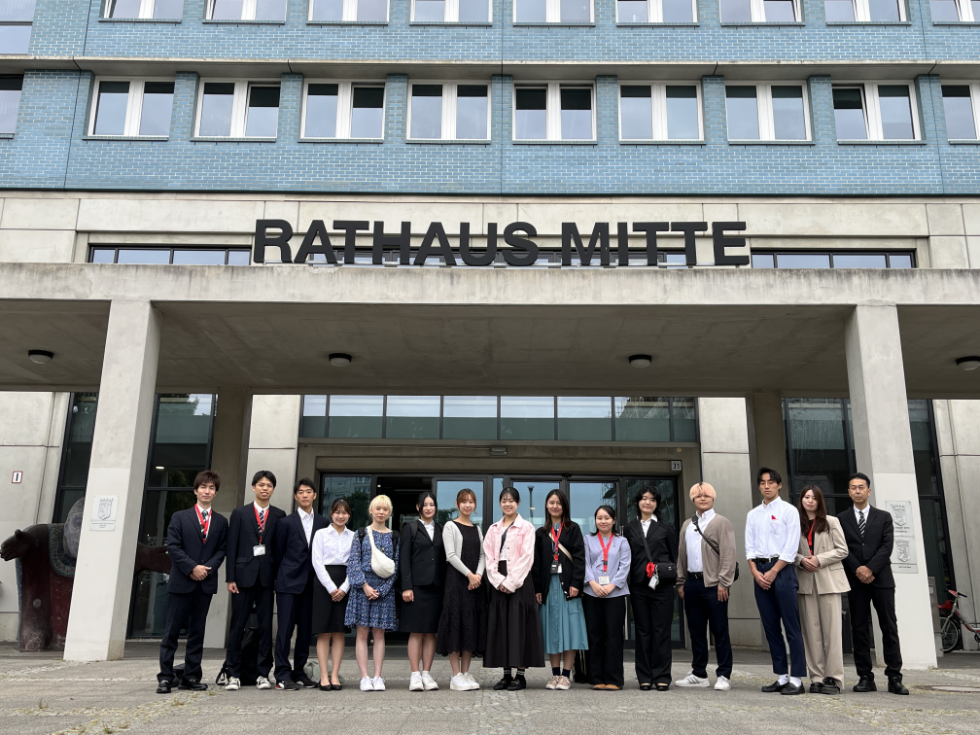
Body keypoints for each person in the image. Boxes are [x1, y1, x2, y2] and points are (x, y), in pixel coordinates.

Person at [157, 471, 228, 694]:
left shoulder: (221, 521)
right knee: (172, 632)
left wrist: (206, 569)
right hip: (182, 582)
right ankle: (166, 677)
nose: (207, 491)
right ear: (195, 490)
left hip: (204, 583)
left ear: (215, 492)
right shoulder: (179, 517)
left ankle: (191, 675)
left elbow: (222, 550)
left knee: (198, 632)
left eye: (211, 488)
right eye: (203, 487)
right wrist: (192, 568)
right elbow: (173, 547)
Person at [838, 472, 908, 695]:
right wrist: (858, 568)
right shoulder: (841, 519)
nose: (857, 491)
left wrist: (870, 568)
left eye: (861, 487)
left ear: (868, 491)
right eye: (853, 487)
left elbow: (886, 547)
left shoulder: (884, 517)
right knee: (859, 628)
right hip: (855, 580)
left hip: (882, 579)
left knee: (889, 626)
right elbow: (842, 548)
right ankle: (865, 677)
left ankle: (894, 676)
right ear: (848, 492)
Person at [746, 467, 806, 695]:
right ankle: (781, 676)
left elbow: (791, 547)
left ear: (779, 485)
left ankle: (797, 679)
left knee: (792, 626)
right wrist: (755, 572)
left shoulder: (789, 511)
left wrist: (773, 572)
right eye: (762, 483)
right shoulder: (753, 515)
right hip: (759, 571)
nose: (766, 486)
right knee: (771, 628)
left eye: (771, 482)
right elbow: (749, 547)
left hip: (782, 570)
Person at [224, 470, 286, 691]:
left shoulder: (279, 515)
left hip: (267, 578)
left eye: (269, 485)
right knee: (237, 625)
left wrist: (279, 579)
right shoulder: (240, 513)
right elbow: (231, 547)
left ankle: (262, 673)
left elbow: (280, 550)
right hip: (242, 578)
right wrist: (230, 577)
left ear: (273, 489)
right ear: (253, 487)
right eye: (260, 484)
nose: (264, 488)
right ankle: (233, 673)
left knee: (265, 626)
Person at [675, 482, 737, 692]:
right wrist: (681, 581)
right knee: (696, 630)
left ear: (713, 498)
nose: (703, 499)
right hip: (691, 583)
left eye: (707, 496)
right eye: (698, 496)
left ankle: (724, 674)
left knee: (719, 630)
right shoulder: (687, 525)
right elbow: (681, 555)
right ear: (693, 499)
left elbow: (729, 555)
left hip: (714, 584)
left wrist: (724, 582)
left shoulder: (721, 522)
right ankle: (699, 673)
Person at [484, 486, 544, 691]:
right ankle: (505, 674)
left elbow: (527, 558)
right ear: (500, 504)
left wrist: (510, 582)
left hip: (520, 581)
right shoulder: (493, 528)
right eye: (504, 500)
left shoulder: (527, 527)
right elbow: (488, 557)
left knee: (519, 626)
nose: (507, 503)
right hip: (497, 581)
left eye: (511, 500)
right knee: (502, 626)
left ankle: (520, 675)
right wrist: (497, 580)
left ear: (518, 503)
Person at [273, 478, 329, 690]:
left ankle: (299, 672)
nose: (305, 495)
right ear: (296, 496)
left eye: (309, 491)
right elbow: (279, 554)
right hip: (288, 584)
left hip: (312, 585)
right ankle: (281, 673)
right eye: (301, 492)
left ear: (314, 495)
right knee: (285, 630)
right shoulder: (285, 523)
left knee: (305, 631)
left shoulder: (324, 523)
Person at [796, 485, 849, 695]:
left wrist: (819, 559)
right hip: (806, 583)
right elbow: (788, 551)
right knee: (811, 634)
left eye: (813, 498)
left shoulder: (831, 522)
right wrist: (801, 560)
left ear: (819, 501)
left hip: (828, 581)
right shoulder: (796, 524)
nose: (809, 501)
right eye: (806, 497)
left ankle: (834, 678)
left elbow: (842, 550)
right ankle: (816, 678)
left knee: (832, 633)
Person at [624, 486, 677, 691]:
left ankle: (662, 675)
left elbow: (674, 556)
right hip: (639, 586)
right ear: (637, 502)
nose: (648, 502)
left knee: (661, 631)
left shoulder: (665, 527)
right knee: (643, 631)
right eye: (644, 499)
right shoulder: (630, 528)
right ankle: (644, 676)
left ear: (657, 503)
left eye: (652, 499)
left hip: (662, 586)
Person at [533, 489, 587, 691]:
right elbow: (536, 564)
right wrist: (538, 588)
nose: (555, 506)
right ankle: (554, 675)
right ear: (546, 506)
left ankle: (566, 675)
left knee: (570, 631)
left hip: (568, 587)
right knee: (552, 632)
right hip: (549, 588)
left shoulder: (573, 529)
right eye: (551, 502)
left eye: (559, 503)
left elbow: (580, 559)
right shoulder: (540, 532)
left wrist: (576, 583)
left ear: (564, 506)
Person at [346, 494, 400, 692]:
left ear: (389, 512)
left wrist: (383, 590)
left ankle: (378, 676)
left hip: (383, 591)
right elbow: (353, 562)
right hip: (363, 589)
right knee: (361, 633)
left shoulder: (394, 536)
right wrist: (365, 586)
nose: (381, 512)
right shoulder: (360, 533)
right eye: (378, 508)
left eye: (385, 509)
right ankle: (364, 677)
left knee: (379, 634)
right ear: (371, 510)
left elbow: (396, 566)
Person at [437, 488, 487, 691]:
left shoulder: (476, 528)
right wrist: (470, 575)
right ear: (458, 504)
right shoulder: (450, 526)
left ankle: (466, 673)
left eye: (471, 502)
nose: (468, 505)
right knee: (455, 624)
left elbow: (483, 555)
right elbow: (450, 555)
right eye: (464, 501)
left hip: (474, 585)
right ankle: (455, 675)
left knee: (470, 625)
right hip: (457, 583)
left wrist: (479, 576)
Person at [400, 491, 446, 692]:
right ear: (418, 507)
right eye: (425, 505)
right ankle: (414, 674)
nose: (428, 508)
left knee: (430, 632)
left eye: (432, 505)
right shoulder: (410, 529)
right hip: (416, 587)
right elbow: (404, 560)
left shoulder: (441, 529)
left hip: (436, 586)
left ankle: (427, 673)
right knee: (416, 631)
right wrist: (406, 586)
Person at [582, 505, 631, 690]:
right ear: (595, 520)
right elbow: (584, 562)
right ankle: (596, 678)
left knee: (613, 635)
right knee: (595, 636)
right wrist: (593, 583)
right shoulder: (588, 539)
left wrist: (611, 586)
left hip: (615, 593)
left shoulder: (622, 542)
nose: (603, 521)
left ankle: (614, 678)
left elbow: (625, 565)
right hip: (591, 592)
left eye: (607, 518)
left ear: (614, 520)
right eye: (599, 518)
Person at [311, 498, 355, 691]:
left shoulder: (353, 536)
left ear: (349, 515)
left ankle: (335, 675)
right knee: (324, 631)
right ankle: (323, 676)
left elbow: (355, 564)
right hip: (323, 584)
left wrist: (344, 588)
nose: (340, 516)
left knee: (338, 632)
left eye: (344, 512)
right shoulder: (321, 534)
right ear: (331, 514)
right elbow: (317, 562)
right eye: (337, 512)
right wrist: (330, 587)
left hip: (345, 582)